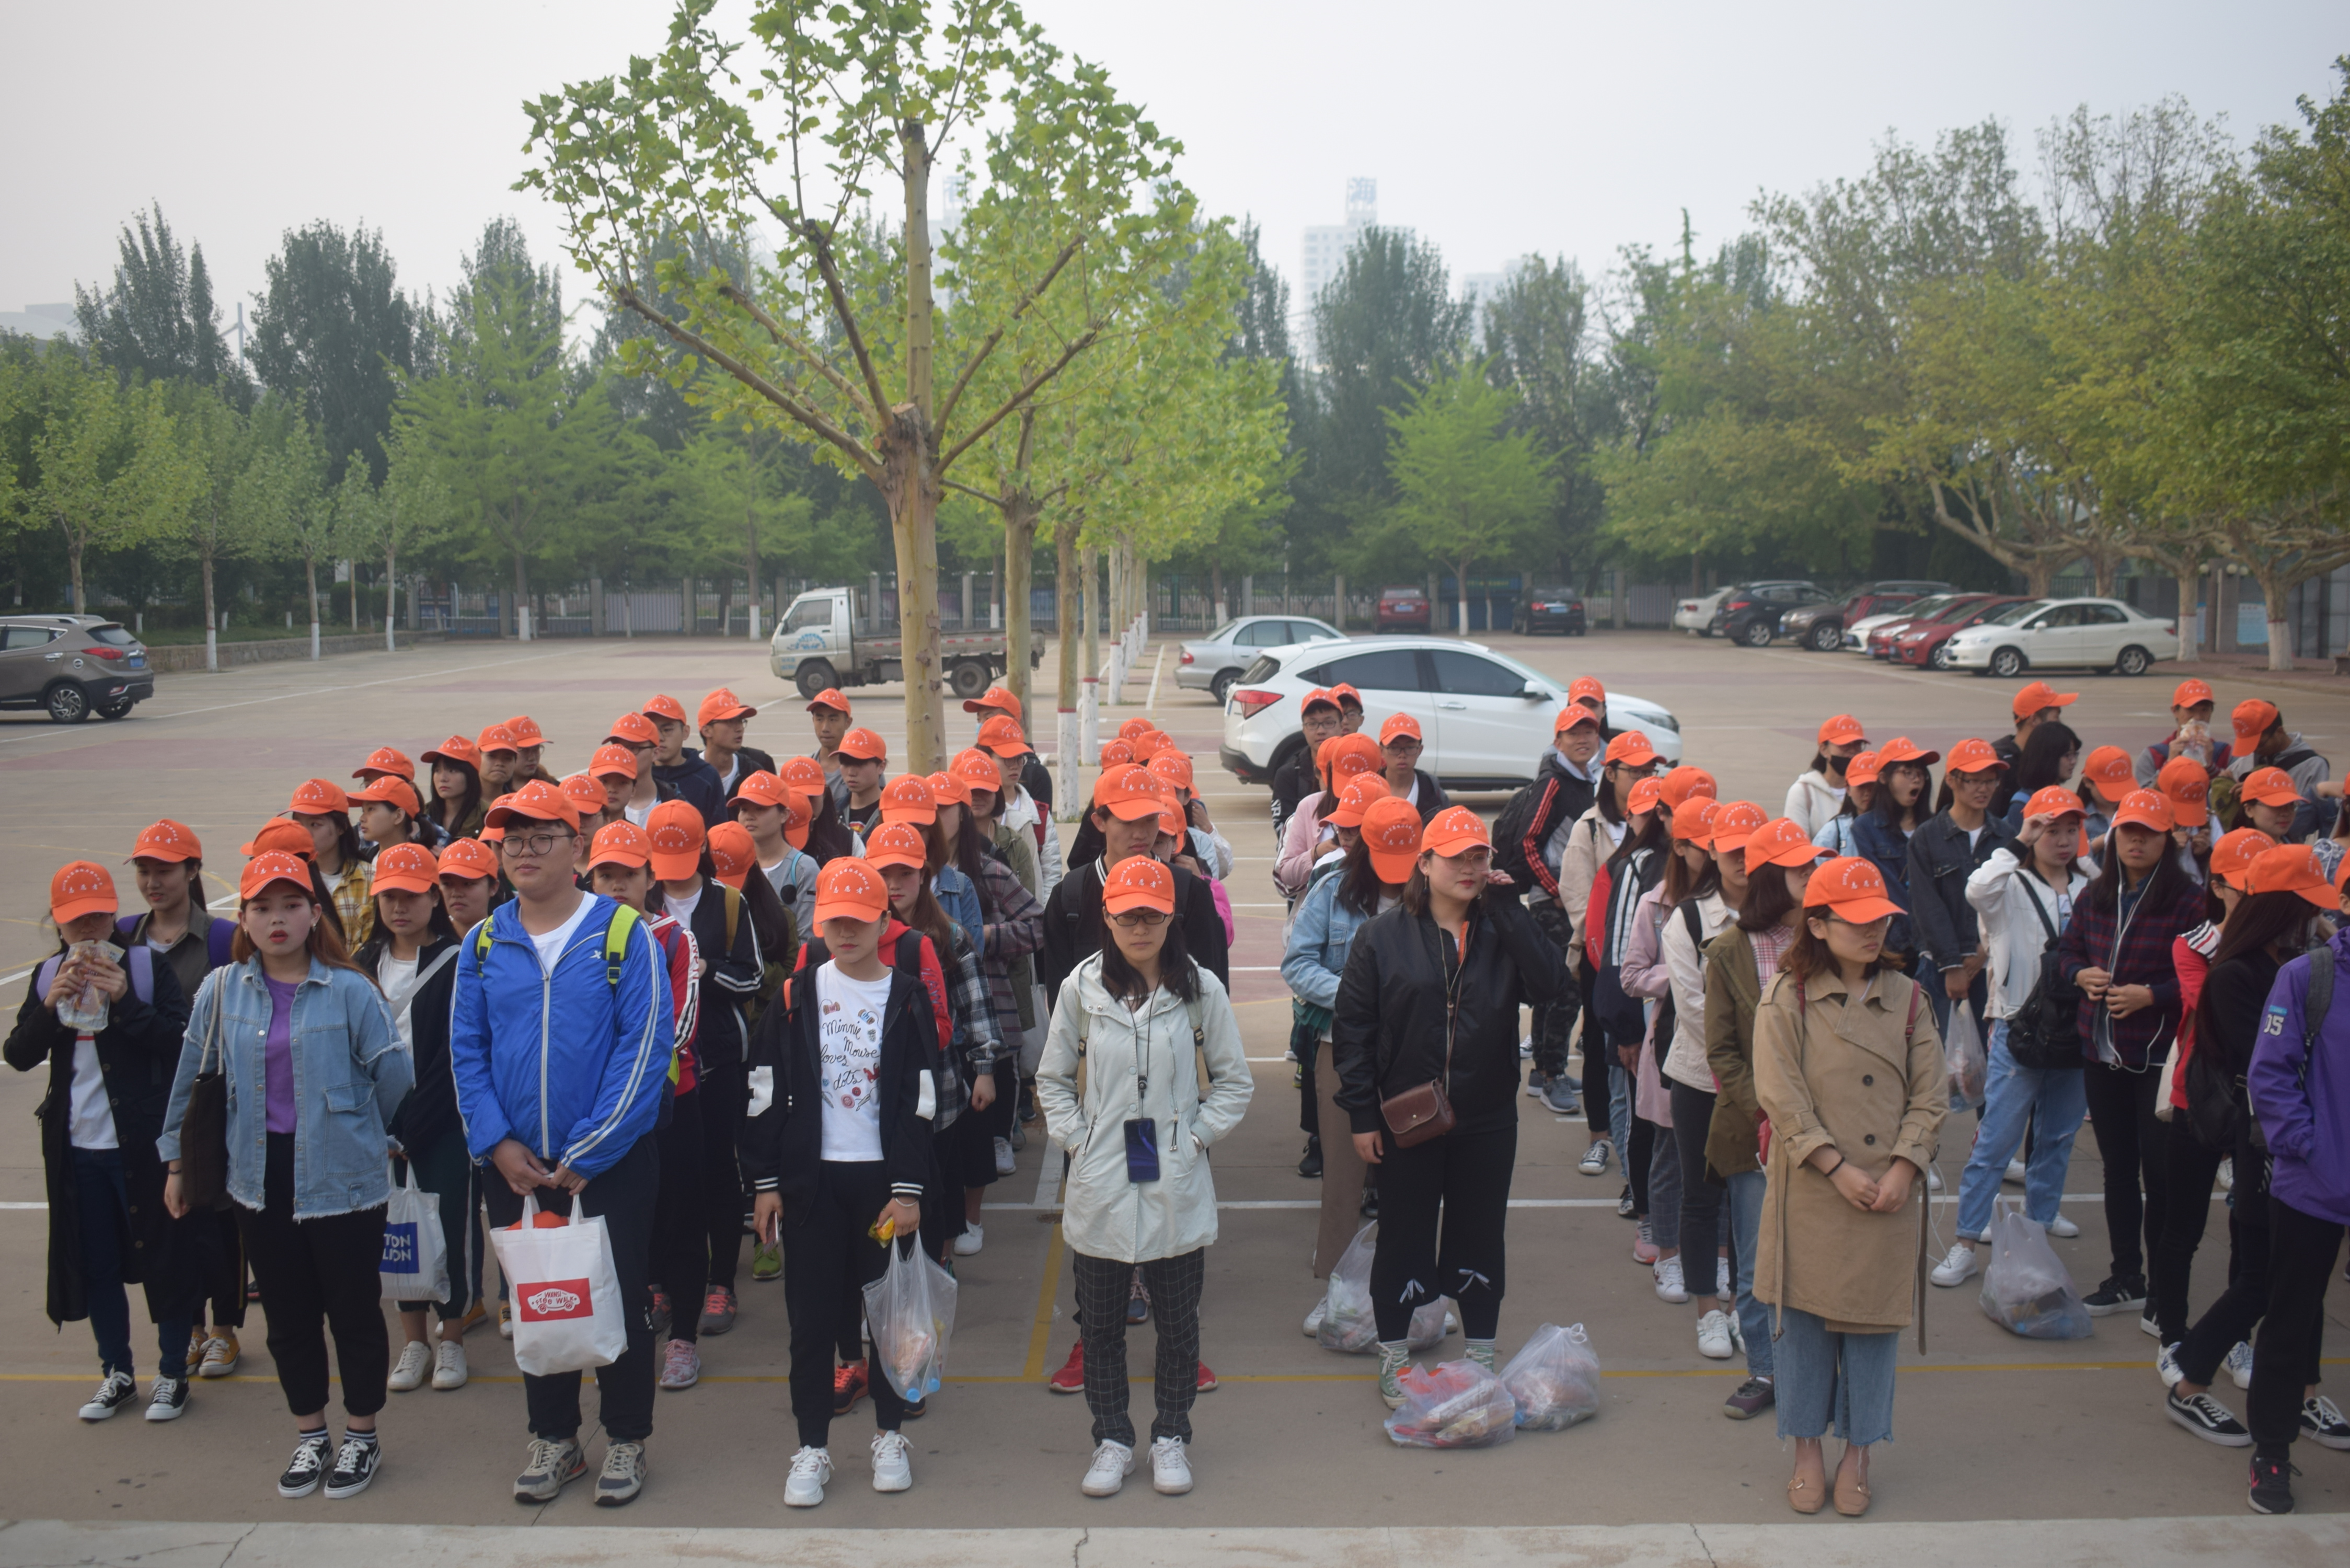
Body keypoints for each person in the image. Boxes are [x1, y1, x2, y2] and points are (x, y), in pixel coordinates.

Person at [446, 780, 674, 1507]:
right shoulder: (485, 943)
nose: (525, 851)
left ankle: (627, 1437)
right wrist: (496, 1144)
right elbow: (466, 1051)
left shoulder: (624, 933)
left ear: (577, 845)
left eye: (541, 837)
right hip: (516, 1167)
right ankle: (554, 1438)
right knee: (540, 1300)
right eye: (512, 839)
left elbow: (645, 1047)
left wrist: (591, 1150)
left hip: (606, 1162)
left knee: (618, 1300)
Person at [160, 850, 410, 1499]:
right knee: (289, 1317)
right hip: (258, 1176)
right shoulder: (223, 990)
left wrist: (364, 1132)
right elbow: (192, 1076)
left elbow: (393, 1075)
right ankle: (311, 1433)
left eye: (291, 906)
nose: (277, 920)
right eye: (262, 908)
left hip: (344, 1179)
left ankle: (361, 1434)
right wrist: (176, 1161)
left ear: (313, 914)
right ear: (243, 917)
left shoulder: (350, 990)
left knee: (353, 1312)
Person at [1035, 856, 1251, 1499]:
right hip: (1101, 1181)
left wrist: (1193, 1138)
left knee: (1178, 1328)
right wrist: (1080, 1141)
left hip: (1173, 1180)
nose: (1138, 928)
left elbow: (1234, 1082)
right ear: (1105, 917)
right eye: (1126, 915)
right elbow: (1051, 1080)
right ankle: (1112, 1439)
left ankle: (1170, 1436)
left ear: (1171, 919)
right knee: (1099, 1327)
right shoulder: (1080, 990)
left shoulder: (1200, 992)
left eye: (1151, 917)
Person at [1332, 807, 1563, 1407]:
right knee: (1402, 1235)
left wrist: (1510, 911)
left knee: (1480, 1233)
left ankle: (1480, 1352)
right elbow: (1353, 1030)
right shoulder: (1380, 937)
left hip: (1486, 1115)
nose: (1468, 867)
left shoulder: (1501, 930)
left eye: (1478, 857)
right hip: (1407, 1116)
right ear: (1424, 863)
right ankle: (1393, 1353)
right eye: (1455, 857)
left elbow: (1552, 987)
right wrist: (1361, 1114)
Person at [1754, 855, 1946, 1518]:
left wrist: (1904, 1166)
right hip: (1812, 1188)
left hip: (1885, 1192)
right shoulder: (1787, 997)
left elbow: (1931, 1095)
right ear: (1817, 924)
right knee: (1802, 1328)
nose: (1872, 932)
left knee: (1871, 1332)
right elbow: (1779, 1093)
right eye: (1855, 921)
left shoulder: (1909, 998)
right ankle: (1806, 1451)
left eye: (1880, 920)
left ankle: (1859, 1453)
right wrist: (1835, 1167)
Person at [744, 858, 936, 1507]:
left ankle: (889, 1435)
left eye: (858, 921)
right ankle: (812, 1446)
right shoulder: (796, 995)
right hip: (813, 1187)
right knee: (812, 1320)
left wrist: (907, 1188)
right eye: (833, 922)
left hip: (882, 1189)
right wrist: (766, 1180)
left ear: (885, 921)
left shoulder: (905, 995)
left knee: (889, 1317)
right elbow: (763, 1088)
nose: (846, 933)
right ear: (818, 924)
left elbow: (920, 1097)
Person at [1038, 764, 1232, 1394]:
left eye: (1153, 817)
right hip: (1104, 1106)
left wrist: (1196, 1131)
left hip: (1169, 1106)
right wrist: (1077, 1134)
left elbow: (1213, 993)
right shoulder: (1072, 896)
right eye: (1128, 819)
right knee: (1098, 1233)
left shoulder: (1188, 892)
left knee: (1173, 1230)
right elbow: (1060, 1003)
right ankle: (1089, 1337)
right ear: (1099, 821)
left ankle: (1181, 1344)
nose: (1143, 830)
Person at [2158, 845, 2336, 1454]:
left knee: (2297, 1278)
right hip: (2267, 1146)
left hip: (2296, 1146)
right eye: (2308, 906)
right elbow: (2268, 1067)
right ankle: (2190, 1381)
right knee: (2263, 1279)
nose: (2317, 918)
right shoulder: (2240, 975)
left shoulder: (2297, 964)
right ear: (2280, 908)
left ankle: (2300, 1395)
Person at [9, 860, 196, 1425]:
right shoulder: (48, 974)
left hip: (142, 1143)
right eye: (75, 922)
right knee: (96, 1263)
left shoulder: (145, 967)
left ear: (114, 915)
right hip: (76, 1146)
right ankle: (116, 1371)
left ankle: (172, 1372)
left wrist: (126, 1004)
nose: (87, 932)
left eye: (96, 918)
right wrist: (50, 1008)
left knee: (164, 1257)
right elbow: (18, 1054)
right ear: (58, 923)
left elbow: (180, 1043)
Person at [1932, 786, 2095, 1288]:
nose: (2062, 840)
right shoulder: (2009, 883)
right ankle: (1966, 1241)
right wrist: (2017, 839)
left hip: (2075, 1030)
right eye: (2050, 829)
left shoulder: (2090, 884)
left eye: (2071, 830)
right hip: (2018, 1027)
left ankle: (2037, 1231)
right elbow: (1976, 889)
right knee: (1996, 1141)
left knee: (2058, 1136)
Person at [2057, 788, 2208, 1323]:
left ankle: (2165, 1293)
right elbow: (2066, 951)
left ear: (2167, 840)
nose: (2136, 842)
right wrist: (2079, 973)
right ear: (2114, 835)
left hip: (2157, 1059)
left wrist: (2152, 995)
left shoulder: (2189, 900)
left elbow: (2205, 977)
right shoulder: (2094, 895)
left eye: (2148, 833)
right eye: (2128, 831)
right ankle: (2127, 1276)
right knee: (2117, 1171)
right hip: (2101, 1054)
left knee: (2160, 1176)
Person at [2239, 861, 2350, 1515]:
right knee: (2289, 1319)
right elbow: (2270, 1075)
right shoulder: (2308, 977)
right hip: (2313, 1184)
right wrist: (2308, 1150)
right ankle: (2272, 1450)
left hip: (2318, 1171)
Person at [581, 820, 708, 1392]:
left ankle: (684, 1338)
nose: (616, 885)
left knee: (682, 1221)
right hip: (606, 1116)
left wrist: (616, 1072)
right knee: (627, 1226)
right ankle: (636, 1319)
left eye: (627, 874)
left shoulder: (675, 939)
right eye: (604, 874)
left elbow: (679, 1029)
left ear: (650, 877)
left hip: (668, 1106)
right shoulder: (579, 940)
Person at [352, 843, 480, 1393]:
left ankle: (451, 1336)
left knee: (449, 1226)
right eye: (389, 897)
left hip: (439, 1123)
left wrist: (411, 1128)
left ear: (433, 898)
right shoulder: (362, 964)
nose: (399, 907)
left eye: (411, 895)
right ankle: (414, 1342)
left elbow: (456, 1055)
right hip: (378, 1127)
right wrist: (378, 1125)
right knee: (397, 1233)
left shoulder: (457, 961)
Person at [120, 820, 246, 1381]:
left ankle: (225, 1328)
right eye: (145, 871)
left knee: (220, 1218)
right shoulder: (123, 938)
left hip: (208, 1102)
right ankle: (189, 1327)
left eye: (165, 871)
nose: (153, 882)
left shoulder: (220, 940)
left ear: (193, 871)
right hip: (144, 1104)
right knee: (168, 1220)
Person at [1286, 798, 1423, 1308]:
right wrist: (1358, 994)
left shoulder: (1434, 895)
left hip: (1415, 1053)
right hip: (1342, 1048)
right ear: (1363, 849)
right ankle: (1339, 1292)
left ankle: (1416, 1291)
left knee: (1413, 1177)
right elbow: (1297, 965)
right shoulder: (1331, 891)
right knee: (1343, 1177)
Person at [2154, 826, 2273, 1365]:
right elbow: (2218, 1016)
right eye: (2246, 887)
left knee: (2248, 1227)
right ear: (2218, 886)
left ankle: (2235, 1339)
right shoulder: (2193, 945)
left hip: (2259, 1107)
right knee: (2182, 1228)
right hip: (2200, 1099)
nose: (2256, 898)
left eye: (2267, 887)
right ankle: (2172, 1336)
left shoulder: (2290, 952)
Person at [645, 799, 763, 1339]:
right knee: (664, 1179)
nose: (671, 877)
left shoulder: (729, 903)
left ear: (703, 852)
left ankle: (721, 1281)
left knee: (718, 1171)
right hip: (658, 1068)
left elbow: (752, 977)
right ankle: (661, 1281)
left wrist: (705, 969)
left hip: (716, 1059)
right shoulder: (641, 902)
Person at [937, 767, 1047, 1236]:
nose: (931, 819)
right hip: (933, 1021)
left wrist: (985, 937)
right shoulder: (906, 876)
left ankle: (971, 1215)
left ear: (961, 815)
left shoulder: (988, 870)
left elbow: (1039, 925)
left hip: (986, 1010)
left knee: (979, 1121)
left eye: (942, 809)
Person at [1562, 729, 1663, 1187]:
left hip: (1642, 964)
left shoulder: (1661, 829)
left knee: (1639, 1060)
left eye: (1650, 769)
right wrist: (1604, 950)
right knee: (1603, 1051)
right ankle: (1600, 1136)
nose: (1643, 776)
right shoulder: (1589, 827)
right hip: (1601, 958)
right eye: (1635, 770)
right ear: (1611, 773)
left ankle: (1638, 1162)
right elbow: (1578, 895)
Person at [1520, 702, 1601, 1114]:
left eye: (1589, 732)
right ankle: (1552, 1075)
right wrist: (1555, 890)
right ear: (1558, 741)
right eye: (1574, 734)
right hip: (1552, 903)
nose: (1583, 739)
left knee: (1553, 987)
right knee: (1568, 987)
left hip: (1570, 899)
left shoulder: (1586, 781)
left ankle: (1543, 1072)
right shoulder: (1554, 782)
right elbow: (1529, 841)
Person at [1907, 736, 2014, 1039]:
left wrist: (1983, 950)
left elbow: (2011, 901)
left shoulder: (2006, 836)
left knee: (1991, 1050)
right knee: (1931, 1047)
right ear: (1952, 780)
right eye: (1974, 781)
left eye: (1990, 781)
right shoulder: (1927, 837)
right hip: (1939, 965)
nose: (1984, 789)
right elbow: (1927, 906)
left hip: (1990, 963)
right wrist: (1951, 965)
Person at [1274, 734, 1386, 900]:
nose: (1349, 791)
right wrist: (1316, 853)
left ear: (1379, 774)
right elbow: (1285, 878)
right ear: (1331, 772)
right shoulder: (1309, 807)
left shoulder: (1387, 808)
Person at [977, 716, 1063, 903]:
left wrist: (1040, 915)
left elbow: (1051, 874)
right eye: (1007, 759)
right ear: (984, 758)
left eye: (1019, 759)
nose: (1015, 766)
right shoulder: (970, 812)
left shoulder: (1039, 815)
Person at [2226, 699, 2330, 842]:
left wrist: (2259, 792)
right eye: (2249, 745)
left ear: (2279, 732)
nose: (2255, 751)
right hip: (2246, 842)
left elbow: (2303, 822)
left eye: (2259, 744)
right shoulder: (2251, 757)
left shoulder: (2313, 765)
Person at [290, 778, 372, 947]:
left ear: (341, 828)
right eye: (298, 824)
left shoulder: (370, 878)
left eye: (315, 824)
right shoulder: (289, 878)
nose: (305, 833)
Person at [735, 770, 821, 925]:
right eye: (744, 809)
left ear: (784, 815)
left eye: (760, 809)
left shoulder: (803, 869)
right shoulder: (734, 864)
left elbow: (807, 934)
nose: (750, 817)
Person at [962, 684, 1054, 821]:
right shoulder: (966, 764)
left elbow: (1042, 824)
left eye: (988, 718)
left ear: (1013, 723)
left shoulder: (1035, 774)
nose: (982, 724)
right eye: (978, 719)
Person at [1991, 681, 2077, 820]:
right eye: (2056, 718)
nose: (2060, 724)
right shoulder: (2000, 764)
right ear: (2035, 720)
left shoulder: (2047, 760)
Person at [1272, 689, 1346, 848]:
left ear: (1342, 726)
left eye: (1328, 723)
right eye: (1312, 724)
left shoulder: (1357, 768)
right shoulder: (1288, 775)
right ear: (1304, 729)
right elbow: (1282, 827)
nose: (1321, 731)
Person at [641, 695, 727, 826]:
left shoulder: (707, 776)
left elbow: (718, 829)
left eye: (667, 730)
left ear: (686, 732)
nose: (659, 738)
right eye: (652, 730)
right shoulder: (639, 774)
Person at [1783, 715, 1867, 840]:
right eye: (1844, 745)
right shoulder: (1804, 792)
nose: (1852, 751)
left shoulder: (1870, 789)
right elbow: (1796, 842)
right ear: (1824, 750)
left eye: (1857, 745)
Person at [2137, 677, 2230, 787]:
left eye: (2205, 710)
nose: (2198, 717)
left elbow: (2234, 794)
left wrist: (2210, 767)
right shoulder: (2154, 755)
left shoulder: (2224, 753)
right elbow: (2147, 795)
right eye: (2191, 710)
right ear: (2175, 711)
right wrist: (2170, 764)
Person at [1997, 721, 2080, 836]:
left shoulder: (2064, 796)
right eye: (2068, 755)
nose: (2073, 762)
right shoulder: (2021, 806)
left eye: (2074, 755)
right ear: (2049, 757)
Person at [696, 688, 776, 805]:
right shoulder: (688, 773)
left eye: (740, 721)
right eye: (730, 721)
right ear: (707, 731)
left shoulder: (754, 772)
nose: (739, 729)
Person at [1375, 713, 1452, 824]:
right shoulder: (1370, 789)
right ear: (1381, 751)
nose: (1402, 755)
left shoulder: (1433, 792)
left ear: (1420, 750)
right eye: (1394, 748)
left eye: (1410, 747)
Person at [1811, 751, 1880, 859]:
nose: (1867, 793)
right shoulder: (1832, 833)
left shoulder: (1902, 826)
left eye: (1873, 786)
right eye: (1861, 786)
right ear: (1848, 789)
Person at [420, 735, 488, 843]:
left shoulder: (487, 816)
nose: (443, 778)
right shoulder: (423, 816)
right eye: (437, 771)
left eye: (452, 771)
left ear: (471, 775)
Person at [805, 687, 858, 813]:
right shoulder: (806, 768)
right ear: (813, 721)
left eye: (833, 719)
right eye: (819, 719)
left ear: (848, 723)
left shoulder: (863, 769)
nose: (825, 728)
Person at [835, 728, 891, 841]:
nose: (851, 772)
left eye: (859, 764)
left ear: (881, 767)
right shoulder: (832, 812)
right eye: (845, 763)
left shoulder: (893, 814)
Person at [505, 716, 560, 787]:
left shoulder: (552, 786)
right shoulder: (496, 789)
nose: (532, 758)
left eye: (536, 749)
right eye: (524, 750)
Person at [477, 724, 522, 798]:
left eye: (508, 758)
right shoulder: (460, 801)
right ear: (477, 757)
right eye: (492, 756)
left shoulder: (518, 802)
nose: (500, 763)